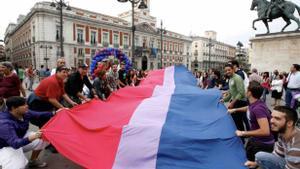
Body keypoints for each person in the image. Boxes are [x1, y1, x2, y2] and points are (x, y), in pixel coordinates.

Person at [229, 81, 274, 168]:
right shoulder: (255, 103)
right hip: (255, 140)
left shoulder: (258, 108)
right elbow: (249, 108)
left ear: (249, 92)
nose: (245, 91)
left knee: (252, 164)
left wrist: (243, 133)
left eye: (247, 89)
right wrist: (235, 110)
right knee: (247, 160)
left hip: (262, 144)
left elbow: (265, 131)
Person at [0, 96, 53, 168]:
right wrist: (31, 137)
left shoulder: (25, 112)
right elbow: (15, 144)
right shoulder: (4, 123)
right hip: (6, 146)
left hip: (20, 138)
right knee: (18, 166)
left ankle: (33, 161)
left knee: (45, 137)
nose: (27, 106)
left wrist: (55, 113)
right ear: (13, 108)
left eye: (26, 104)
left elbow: (39, 114)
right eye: (23, 105)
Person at [221, 64, 248, 143]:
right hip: (235, 101)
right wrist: (224, 100)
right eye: (226, 70)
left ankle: (241, 140)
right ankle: (240, 139)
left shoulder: (237, 78)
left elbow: (241, 93)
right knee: (235, 122)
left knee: (238, 122)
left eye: (229, 70)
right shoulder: (231, 78)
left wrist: (232, 103)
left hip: (240, 102)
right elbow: (231, 92)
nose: (227, 72)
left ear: (233, 69)